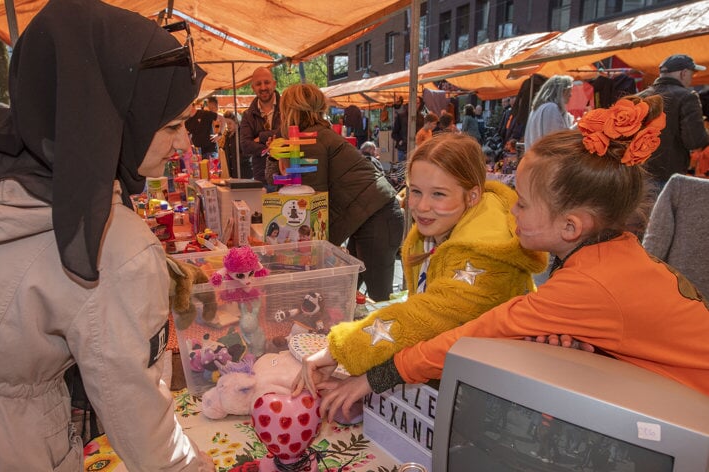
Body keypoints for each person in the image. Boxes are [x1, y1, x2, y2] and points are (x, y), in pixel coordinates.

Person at [0, 0, 214, 470]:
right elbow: (144, 426)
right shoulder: (114, 243)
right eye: (172, 125)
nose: (185, 144)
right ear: (110, 115)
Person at [296, 95, 709, 422]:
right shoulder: (610, 256)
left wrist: (373, 377)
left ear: (571, 226)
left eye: (524, 205)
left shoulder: (586, 284)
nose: (512, 213)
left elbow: (469, 334)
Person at [292, 132, 547, 390]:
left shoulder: (487, 254)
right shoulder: (440, 226)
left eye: (438, 194)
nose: (422, 206)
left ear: (472, 196)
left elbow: (428, 315)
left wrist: (342, 349)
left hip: (489, 388)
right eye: (415, 191)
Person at [277, 83, 406, 302]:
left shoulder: (309, 140)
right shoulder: (318, 135)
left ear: (289, 110)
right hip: (375, 215)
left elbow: (312, 205)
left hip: (377, 217)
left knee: (380, 301)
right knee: (347, 293)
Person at [639, 54, 709, 190]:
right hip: (668, 176)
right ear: (684, 73)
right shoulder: (686, 97)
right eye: (691, 74)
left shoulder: (639, 97)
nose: (691, 79)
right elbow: (695, 141)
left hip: (639, 174)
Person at [240, 67, 281, 188]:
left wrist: (261, 137)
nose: (263, 87)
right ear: (253, 87)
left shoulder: (287, 107)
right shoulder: (247, 115)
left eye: (267, 82)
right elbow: (245, 146)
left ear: (274, 84)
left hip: (287, 176)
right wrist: (270, 147)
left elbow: (288, 132)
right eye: (258, 84)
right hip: (262, 179)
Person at [523, 74, 574, 149]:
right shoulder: (551, 108)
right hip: (547, 158)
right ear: (561, 91)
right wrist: (578, 127)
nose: (570, 95)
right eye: (569, 91)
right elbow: (558, 138)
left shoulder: (537, 109)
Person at [220, 111, 249, 178]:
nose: (228, 126)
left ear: (236, 123)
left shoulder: (243, 134)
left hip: (243, 172)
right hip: (233, 173)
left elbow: (248, 152)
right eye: (226, 123)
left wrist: (239, 159)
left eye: (230, 123)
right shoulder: (227, 135)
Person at [391, 96, 408, 162]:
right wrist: (400, 140)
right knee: (401, 167)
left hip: (412, 147)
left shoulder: (420, 116)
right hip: (402, 147)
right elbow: (394, 134)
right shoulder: (401, 116)